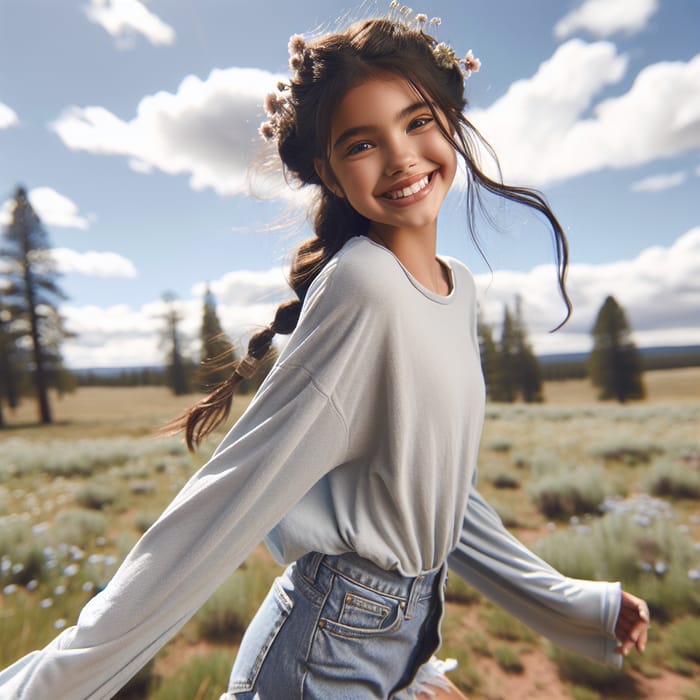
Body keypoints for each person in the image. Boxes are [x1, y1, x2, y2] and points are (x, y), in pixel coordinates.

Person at [0, 6, 650, 699]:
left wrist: (577, 604)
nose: (401, 156)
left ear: (450, 123)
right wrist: (50, 687)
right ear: (331, 173)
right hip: (325, 655)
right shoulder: (364, 286)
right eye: (362, 143)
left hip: (406, 633)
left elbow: (436, 496)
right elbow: (229, 498)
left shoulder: (454, 290)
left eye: (418, 121)